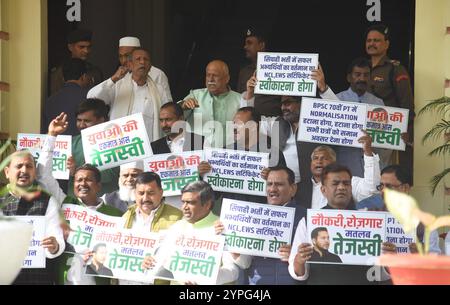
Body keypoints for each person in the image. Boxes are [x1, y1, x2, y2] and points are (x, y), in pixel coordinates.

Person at [289, 164, 392, 285]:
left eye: (346, 183)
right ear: (323, 190)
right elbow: (297, 273)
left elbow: (381, 275)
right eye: (335, 183)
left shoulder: (370, 221)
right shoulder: (309, 220)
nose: (341, 187)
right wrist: (299, 260)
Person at [217, 167, 306, 285]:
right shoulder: (252, 215)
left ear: (293, 189)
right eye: (269, 184)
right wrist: (230, 241)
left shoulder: (306, 218)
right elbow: (245, 263)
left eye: (279, 184)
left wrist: (295, 256)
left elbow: (318, 262)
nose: (273, 189)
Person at [143, 181, 239, 285]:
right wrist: (150, 263)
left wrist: (204, 281)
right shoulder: (177, 227)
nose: (184, 207)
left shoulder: (222, 227)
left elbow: (233, 271)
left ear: (207, 204)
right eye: (183, 202)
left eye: (190, 202)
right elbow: (162, 262)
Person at [313, 58, 391, 175]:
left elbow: (385, 138)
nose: (362, 79)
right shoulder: (337, 99)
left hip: (372, 169)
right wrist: (323, 87)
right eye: (357, 75)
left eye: (366, 75)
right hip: (344, 167)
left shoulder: (378, 103)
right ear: (349, 78)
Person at [0, 150, 65, 284]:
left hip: (37, 278)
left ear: (34, 172)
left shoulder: (47, 201)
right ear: (7, 172)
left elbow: (57, 238)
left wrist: (54, 246)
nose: (24, 170)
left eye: (29, 166)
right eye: (19, 166)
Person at [87, 48, 168, 142]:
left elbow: (168, 113)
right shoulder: (117, 85)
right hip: (123, 144)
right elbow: (91, 97)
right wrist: (113, 79)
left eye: (146, 59)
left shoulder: (159, 89)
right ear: (130, 65)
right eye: (138, 59)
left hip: (150, 144)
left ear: (150, 66)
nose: (142, 62)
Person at [357, 165, 441, 254]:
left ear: (405, 188)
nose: (383, 191)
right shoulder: (367, 216)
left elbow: (434, 262)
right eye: (381, 186)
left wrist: (421, 256)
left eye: (389, 186)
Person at [365, 23, 415, 171]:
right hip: (365, 132)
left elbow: (407, 105)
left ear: (386, 44)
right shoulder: (361, 68)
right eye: (369, 41)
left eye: (376, 40)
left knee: (385, 175)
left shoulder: (395, 69)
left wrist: (406, 134)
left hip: (387, 134)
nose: (372, 44)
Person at [121, 172, 183, 285]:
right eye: (141, 193)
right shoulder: (126, 217)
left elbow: (181, 256)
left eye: (151, 193)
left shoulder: (177, 218)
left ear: (161, 193)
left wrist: (157, 261)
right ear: (135, 194)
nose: (145, 198)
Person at [259, 96, 318, 203]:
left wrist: (324, 90)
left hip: (312, 186)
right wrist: (248, 96)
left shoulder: (317, 123)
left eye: (287, 103)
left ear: (302, 103)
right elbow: (250, 121)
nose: (283, 108)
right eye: (282, 104)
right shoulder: (278, 123)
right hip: (283, 188)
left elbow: (336, 116)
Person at [179, 60, 244, 147]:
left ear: (227, 79)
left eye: (215, 75)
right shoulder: (195, 95)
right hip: (196, 152)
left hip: (226, 154)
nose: (210, 79)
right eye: (208, 75)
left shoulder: (240, 100)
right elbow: (175, 114)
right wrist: (183, 106)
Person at [300, 140, 380, 210]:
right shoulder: (299, 188)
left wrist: (368, 152)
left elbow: (371, 188)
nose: (319, 161)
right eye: (315, 158)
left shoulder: (347, 182)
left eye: (324, 158)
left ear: (334, 162)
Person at [67, 99, 119, 197]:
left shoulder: (114, 143)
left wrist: (76, 171)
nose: (81, 125)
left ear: (102, 120)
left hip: (105, 205)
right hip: (75, 205)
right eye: (79, 120)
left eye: (87, 121)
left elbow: (110, 176)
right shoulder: (70, 143)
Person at [238, 27, 282, 117]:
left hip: (274, 122)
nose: (245, 47)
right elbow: (239, 98)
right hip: (250, 123)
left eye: (249, 43)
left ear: (261, 45)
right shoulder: (244, 72)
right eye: (245, 43)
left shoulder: (278, 69)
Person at [42, 58, 91, 136]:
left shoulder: (49, 101)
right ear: (84, 77)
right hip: (82, 146)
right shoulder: (90, 98)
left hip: (57, 146)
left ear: (63, 78)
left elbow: (45, 133)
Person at [118, 36, 172, 103]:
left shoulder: (158, 74)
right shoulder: (119, 76)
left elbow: (168, 104)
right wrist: (114, 79)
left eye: (127, 56)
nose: (123, 61)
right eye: (121, 56)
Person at [50, 28, 103, 95]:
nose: (86, 51)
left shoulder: (95, 72)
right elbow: (56, 99)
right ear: (70, 47)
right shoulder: (59, 73)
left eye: (89, 47)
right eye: (81, 47)